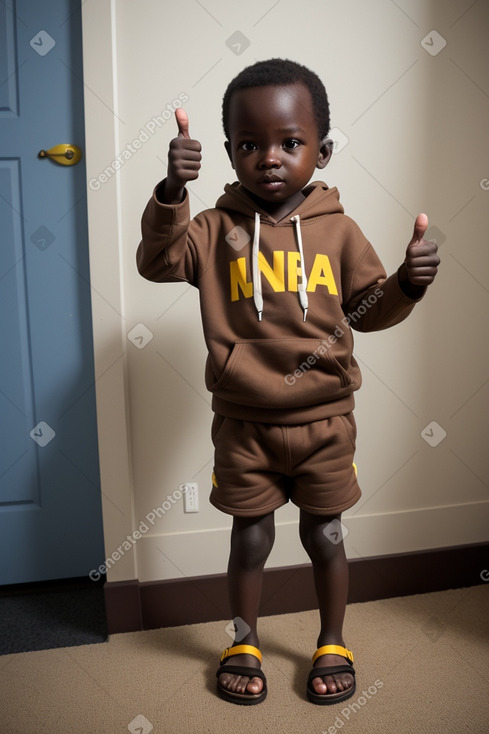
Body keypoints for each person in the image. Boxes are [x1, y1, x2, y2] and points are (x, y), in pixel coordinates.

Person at [137, 58, 439, 706]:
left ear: (321, 151)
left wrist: (407, 283)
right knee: (250, 536)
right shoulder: (213, 230)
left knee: (324, 534)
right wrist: (170, 191)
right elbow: (157, 262)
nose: (268, 158)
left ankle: (333, 639)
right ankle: (243, 638)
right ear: (228, 152)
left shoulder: (339, 232)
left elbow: (371, 310)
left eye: (289, 143)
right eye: (249, 145)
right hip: (244, 425)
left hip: (325, 422)